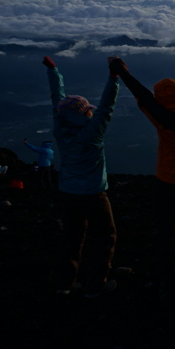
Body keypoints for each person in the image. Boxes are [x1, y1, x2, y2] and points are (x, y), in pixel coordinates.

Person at [109, 51, 175, 292]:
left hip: (168, 181)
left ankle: (165, 276)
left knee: (166, 230)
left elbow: (142, 95)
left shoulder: (162, 119)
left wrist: (120, 69)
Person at [44, 55, 121, 297]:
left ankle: (64, 285)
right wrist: (114, 78)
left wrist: (53, 71)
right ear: (84, 114)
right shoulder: (92, 134)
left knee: (71, 237)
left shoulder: (60, 129)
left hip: (68, 193)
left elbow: (57, 100)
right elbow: (107, 106)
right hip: (94, 195)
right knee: (105, 237)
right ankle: (96, 285)